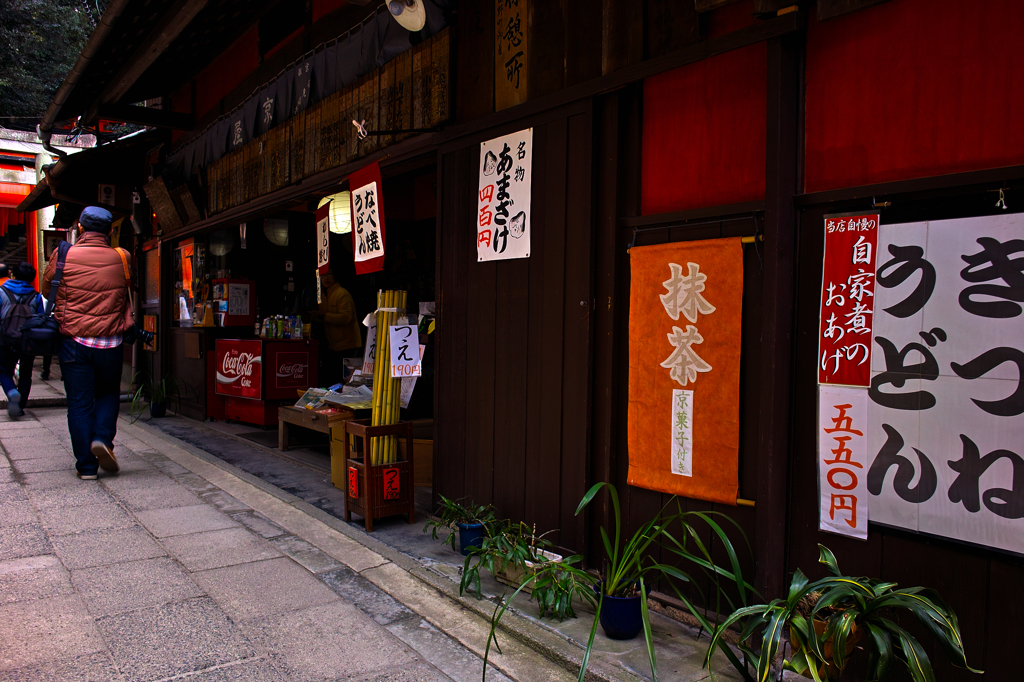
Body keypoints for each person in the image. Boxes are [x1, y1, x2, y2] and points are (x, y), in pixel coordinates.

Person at [42, 206, 133, 480]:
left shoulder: (64, 254)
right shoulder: (123, 257)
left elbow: (48, 289)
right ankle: (102, 439)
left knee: (79, 403)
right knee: (107, 393)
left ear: (80, 227)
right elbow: (128, 288)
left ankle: (86, 467)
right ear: (110, 231)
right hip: (111, 341)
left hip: (74, 340)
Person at [0, 262, 43, 417]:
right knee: (26, 373)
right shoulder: (36, 296)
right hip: (28, 340)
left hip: (5, 339)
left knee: (3, 371)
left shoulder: (1, 292)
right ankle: (19, 407)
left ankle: (12, 393)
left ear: (13, 274)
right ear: (32, 279)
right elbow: (40, 318)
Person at [309, 270, 361, 387]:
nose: (326, 278)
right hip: (333, 345)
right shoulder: (323, 295)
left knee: (346, 379)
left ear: (334, 276)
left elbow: (346, 317)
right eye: (323, 276)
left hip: (347, 345)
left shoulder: (342, 293)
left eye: (329, 275)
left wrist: (323, 316)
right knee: (334, 378)